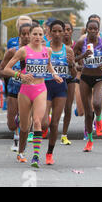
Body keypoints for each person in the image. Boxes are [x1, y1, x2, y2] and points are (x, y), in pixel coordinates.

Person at [3, 24, 63, 167]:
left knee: (37, 121)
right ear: (29, 35)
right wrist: (20, 75)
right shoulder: (23, 51)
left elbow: (48, 65)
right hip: (25, 91)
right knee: (24, 127)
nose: (37, 37)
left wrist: (54, 74)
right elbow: (6, 69)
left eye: (40, 34)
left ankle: (36, 156)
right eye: (34, 34)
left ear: (44, 36)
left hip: (41, 89)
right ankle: (21, 151)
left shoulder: (47, 50)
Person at [73, 19, 102, 152]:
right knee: (88, 112)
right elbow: (71, 58)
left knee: (98, 104)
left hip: (99, 78)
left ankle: (98, 119)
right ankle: (90, 140)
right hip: (85, 77)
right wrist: (83, 56)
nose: (92, 31)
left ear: (98, 30)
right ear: (86, 29)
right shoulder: (82, 42)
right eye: (90, 29)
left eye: (95, 29)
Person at [43, 20, 76, 165]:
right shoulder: (44, 48)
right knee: (44, 123)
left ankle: (49, 154)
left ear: (64, 32)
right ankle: (42, 120)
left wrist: (71, 65)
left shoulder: (68, 50)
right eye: (54, 31)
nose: (57, 34)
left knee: (55, 124)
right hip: (45, 86)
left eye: (59, 31)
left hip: (61, 88)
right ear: (49, 32)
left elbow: (73, 75)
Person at [0, 23, 31, 152]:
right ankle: (16, 131)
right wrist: (15, 74)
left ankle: (19, 142)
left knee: (26, 120)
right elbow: (0, 71)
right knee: (11, 124)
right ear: (19, 36)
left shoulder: (37, 52)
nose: (27, 36)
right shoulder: (12, 52)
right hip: (14, 89)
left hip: (30, 90)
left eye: (29, 33)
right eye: (24, 34)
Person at [61, 21, 79, 145]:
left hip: (71, 77)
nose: (66, 32)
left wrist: (73, 64)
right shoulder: (54, 46)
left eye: (69, 29)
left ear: (72, 31)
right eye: (64, 30)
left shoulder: (76, 46)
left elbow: (82, 63)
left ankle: (64, 134)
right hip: (55, 78)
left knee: (68, 108)